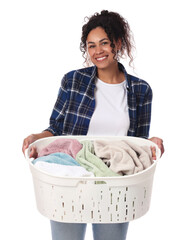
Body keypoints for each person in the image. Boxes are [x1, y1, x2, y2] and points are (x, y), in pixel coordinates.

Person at [22, 10, 164, 240]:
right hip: (71, 174)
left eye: (104, 43)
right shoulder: (73, 81)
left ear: (117, 43)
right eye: (91, 46)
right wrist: (37, 137)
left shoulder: (141, 90)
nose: (97, 51)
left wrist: (152, 143)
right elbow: (56, 128)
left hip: (114, 180)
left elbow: (136, 143)